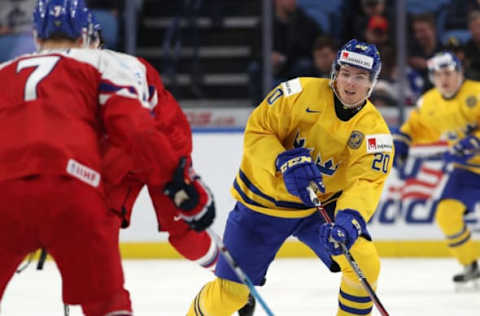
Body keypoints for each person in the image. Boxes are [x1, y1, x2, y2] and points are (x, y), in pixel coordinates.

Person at [0, 0, 213, 315]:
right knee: (108, 303)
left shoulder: (5, 71)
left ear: (35, 35)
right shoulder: (108, 64)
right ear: (87, 35)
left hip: (8, 191)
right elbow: (138, 129)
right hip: (75, 187)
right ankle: (230, 275)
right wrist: (180, 184)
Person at [187, 39, 393, 316]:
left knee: (364, 264)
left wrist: (349, 218)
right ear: (334, 73)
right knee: (229, 296)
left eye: (360, 77)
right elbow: (258, 131)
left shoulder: (375, 132)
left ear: (372, 83)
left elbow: (366, 182)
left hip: (318, 209)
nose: (350, 83)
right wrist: (282, 159)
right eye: (345, 73)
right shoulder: (298, 92)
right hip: (262, 205)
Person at [87, 14, 255, 316]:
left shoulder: (128, 69)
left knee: (186, 237)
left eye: (87, 40)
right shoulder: (58, 80)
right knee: (97, 240)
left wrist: (178, 174)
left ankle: (233, 279)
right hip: (113, 162)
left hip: (159, 149)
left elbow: (162, 123)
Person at [392, 51, 480, 285]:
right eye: (439, 74)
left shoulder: (477, 93)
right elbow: (417, 126)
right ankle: (471, 265)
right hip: (469, 170)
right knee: (446, 214)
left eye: (449, 73)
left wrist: (476, 140)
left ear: (460, 73)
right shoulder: (430, 102)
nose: (445, 79)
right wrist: (403, 141)